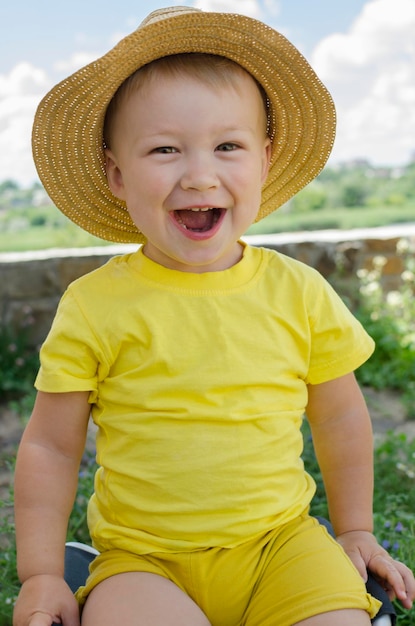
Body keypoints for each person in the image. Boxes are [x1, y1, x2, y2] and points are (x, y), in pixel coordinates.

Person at [13, 6, 415, 626]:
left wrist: (355, 527)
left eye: (228, 146)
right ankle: (76, 568)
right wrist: (38, 574)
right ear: (117, 175)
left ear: (264, 158)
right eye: (165, 149)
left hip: (282, 543)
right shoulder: (94, 306)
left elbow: (339, 415)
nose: (200, 175)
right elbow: (49, 446)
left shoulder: (298, 291)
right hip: (144, 559)